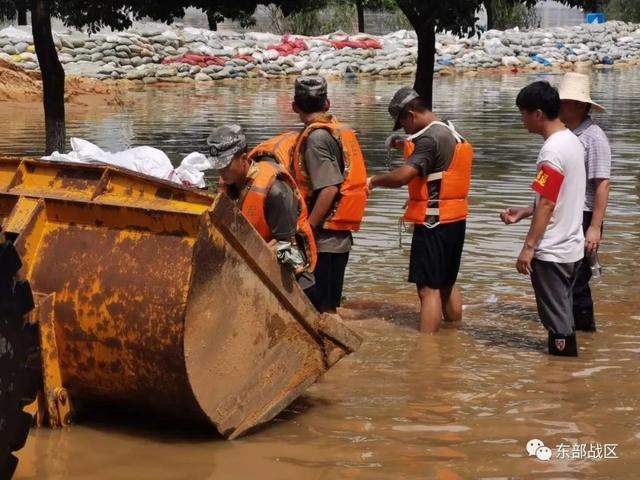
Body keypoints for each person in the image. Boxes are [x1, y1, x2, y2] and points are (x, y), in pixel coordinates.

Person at [367, 87, 473, 334]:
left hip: (433, 223)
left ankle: (426, 350)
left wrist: (374, 180)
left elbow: (403, 176)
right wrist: (403, 143)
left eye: (402, 123)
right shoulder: (449, 129)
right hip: (455, 219)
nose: (404, 130)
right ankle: (453, 335)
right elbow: (437, 164)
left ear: (411, 115)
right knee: (446, 283)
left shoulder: (428, 140)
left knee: (428, 289)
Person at [500, 81, 586, 356]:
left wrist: (529, 247)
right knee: (565, 315)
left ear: (537, 114)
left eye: (523, 113)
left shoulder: (550, 152)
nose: (521, 120)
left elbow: (548, 202)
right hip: (572, 246)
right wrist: (526, 211)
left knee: (558, 326)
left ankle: (561, 382)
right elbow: (551, 196)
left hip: (553, 251)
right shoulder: (572, 141)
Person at [289, 76, 368, 313]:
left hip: (323, 241)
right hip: (337, 239)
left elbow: (329, 188)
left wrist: (307, 229)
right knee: (328, 309)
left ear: (294, 106)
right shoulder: (335, 131)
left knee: (321, 312)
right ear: (327, 104)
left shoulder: (316, 138)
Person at [207, 124, 316, 290]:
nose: (221, 171)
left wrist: (256, 255)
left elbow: (287, 245)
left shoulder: (276, 190)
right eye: (218, 166)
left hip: (290, 265)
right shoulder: (228, 184)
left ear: (244, 159)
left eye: (226, 165)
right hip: (250, 257)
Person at [558, 72, 611, 332]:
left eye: (564, 101)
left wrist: (595, 227)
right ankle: (572, 331)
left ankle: (585, 336)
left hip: (585, 215)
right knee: (566, 276)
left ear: (579, 105)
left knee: (578, 280)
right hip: (569, 213)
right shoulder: (566, 134)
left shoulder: (594, 136)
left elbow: (602, 183)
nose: (558, 106)